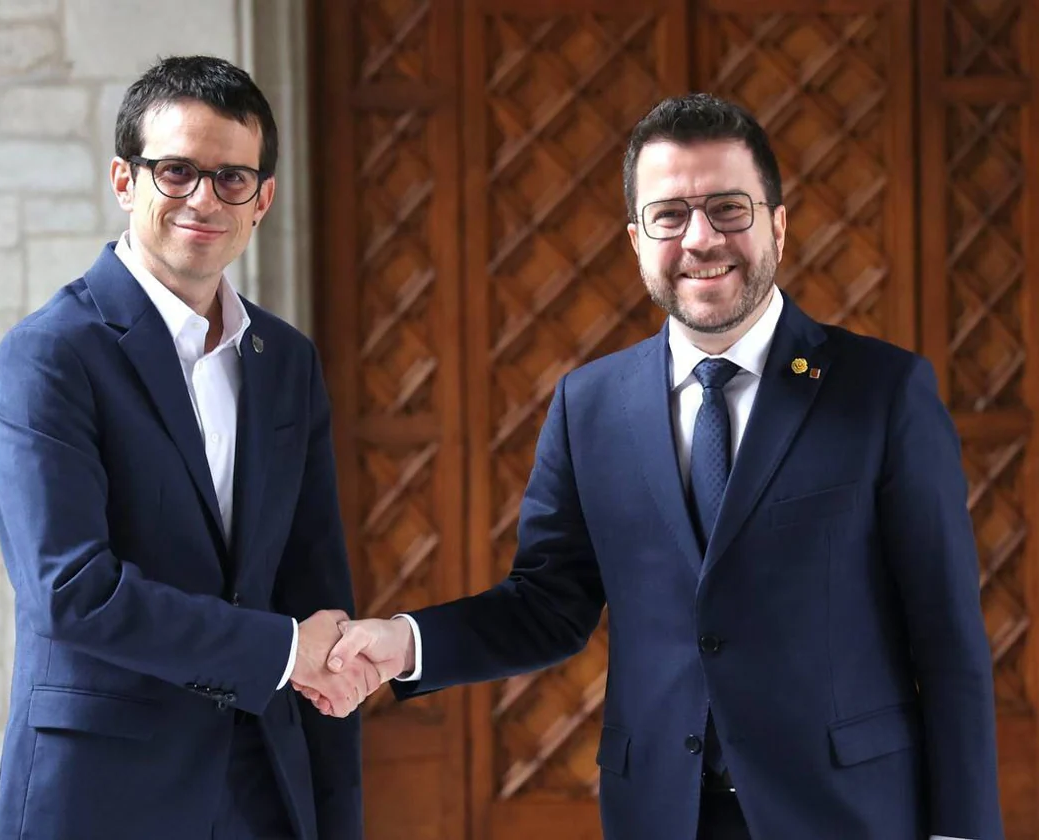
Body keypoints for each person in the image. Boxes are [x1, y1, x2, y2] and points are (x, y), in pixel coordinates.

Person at [310, 94, 1005, 840]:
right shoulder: (590, 405)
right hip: (662, 815)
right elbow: (547, 604)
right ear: (637, 240)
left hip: (847, 814)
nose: (701, 239)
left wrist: (963, 830)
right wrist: (404, 642)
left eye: (729, 209)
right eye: (670, 215)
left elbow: (947, 634)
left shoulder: (884, 391)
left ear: (776, 221)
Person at [0, 55, 376, 840]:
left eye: (232, 178)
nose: (204, 197)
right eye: (176, 171)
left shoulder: (286, 360)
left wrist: (336, 812)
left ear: (262, 200)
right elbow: (71, 591)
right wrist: (282, 650)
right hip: (100, 793)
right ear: (125, 181)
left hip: (265, 786)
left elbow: (314, 582)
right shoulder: (51, 354)